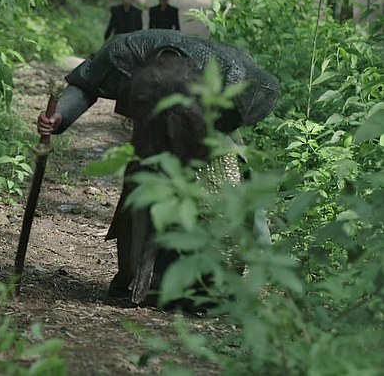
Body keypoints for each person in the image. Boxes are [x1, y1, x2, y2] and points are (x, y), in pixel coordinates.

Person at [36, 29, 280, 302]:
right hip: (149, 130)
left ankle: (211, 285)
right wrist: (60, 115)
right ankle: (149, 279)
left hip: (210, 129)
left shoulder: (232, 73)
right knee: (145, 188)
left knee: (217, 197)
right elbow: (86, 83)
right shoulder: (122, 54)